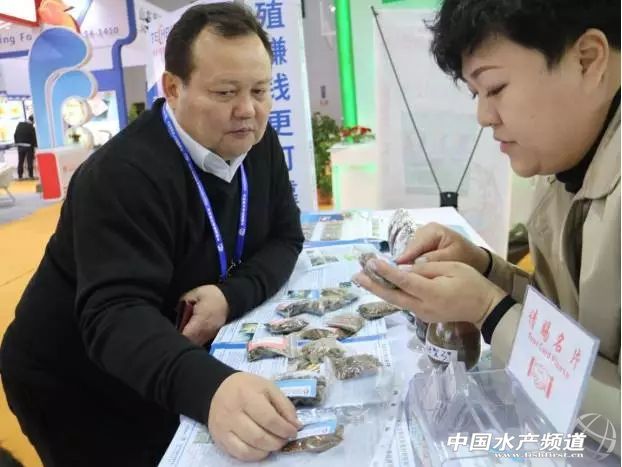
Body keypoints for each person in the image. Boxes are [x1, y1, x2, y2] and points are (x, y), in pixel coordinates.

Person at [1, 3, 305, 465]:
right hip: (77, 379)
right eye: (225, 92)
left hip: (166, 352)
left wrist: (230, 296)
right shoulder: (121, 175)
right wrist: (211, 389)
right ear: (173, 88)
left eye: (260, 90)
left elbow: (286, 237)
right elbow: (115, 314)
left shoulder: (259, 145)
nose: (247, 110)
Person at [355, 0, 620, 453]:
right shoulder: (563, 167)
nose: (483, 116)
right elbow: (572, 327)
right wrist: (485, 270)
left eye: (495, 87)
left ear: (587, 59)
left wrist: (488, 310)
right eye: (476, 94)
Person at [13, 115, 37, 180]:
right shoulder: (31, 127)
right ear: (33, 121)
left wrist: (16, 143)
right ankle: (30, 176)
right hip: (28, 146)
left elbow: (15, 134)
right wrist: (35, 146)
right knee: (29, 161)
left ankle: (20, 176)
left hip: (20, 146)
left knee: (20, 161)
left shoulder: (20, 124)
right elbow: (34, 138)